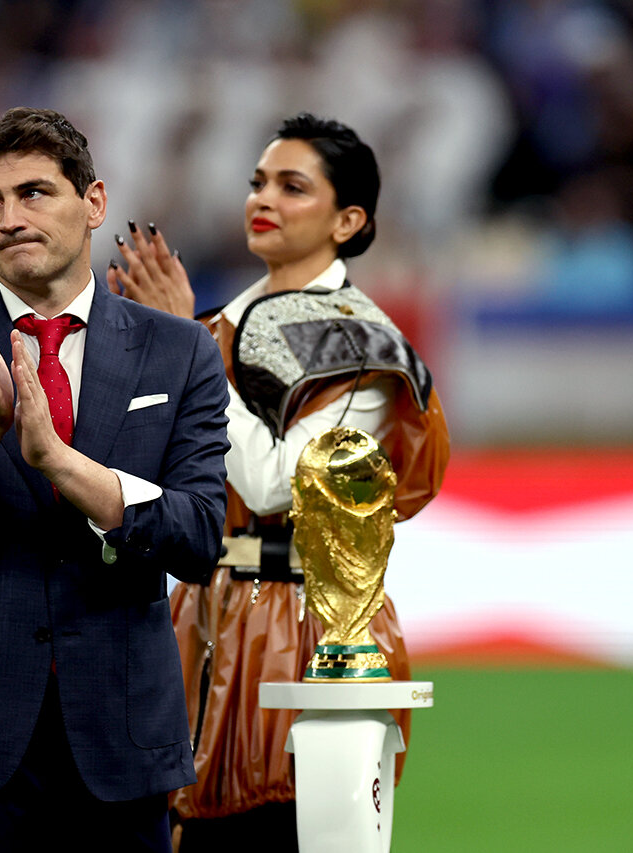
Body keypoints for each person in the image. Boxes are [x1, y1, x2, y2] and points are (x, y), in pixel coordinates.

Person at [0, 107, 231, 852]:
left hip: (120, 749)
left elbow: (197, 537)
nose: (9, 218)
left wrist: (58, 460)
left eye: (34, 193)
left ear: (94, 203)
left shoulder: (181, 350)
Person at [109, 113, 450, 850]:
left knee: (272, 832)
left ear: (348, 220)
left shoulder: (364, 345)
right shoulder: (213, 326)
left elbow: (275, 485)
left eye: (293, 187)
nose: (263, 198)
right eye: (258, 182)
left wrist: (187, 353)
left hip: (305, 627)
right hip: (195, 616)